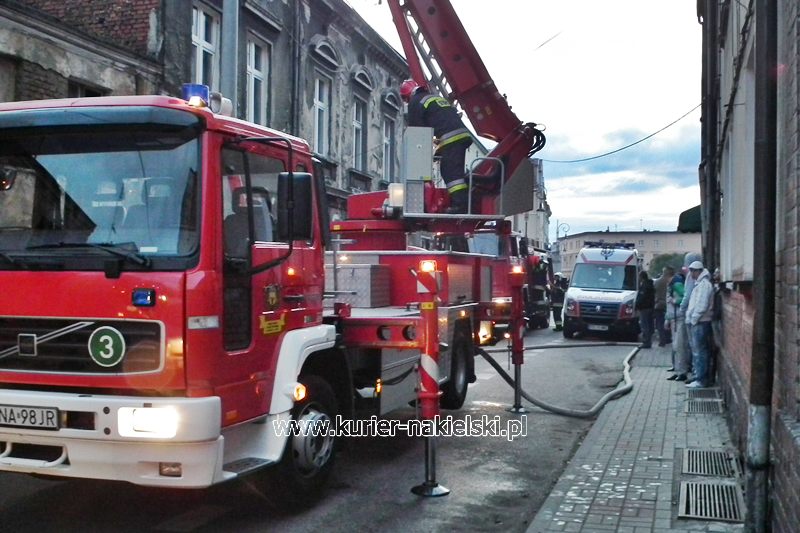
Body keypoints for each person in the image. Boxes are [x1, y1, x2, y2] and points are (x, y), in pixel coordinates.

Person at [400, 79, 473, 213]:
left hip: (451, 138)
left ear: (407, 95)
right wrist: (438, 150)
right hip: (460, 135)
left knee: (451, 173)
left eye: (405, 99)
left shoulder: (415, 102)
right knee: (455, 171)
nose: (407, 102)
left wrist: (420, 160)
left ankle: (460, 206)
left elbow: (418, 134)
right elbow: (443, 120)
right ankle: (464, 201)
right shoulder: (433, 98)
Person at [685, 260, 714, 388]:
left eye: (692, 271)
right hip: (699, 321)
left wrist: (693, 319)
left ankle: (701, 379)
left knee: (700, 351)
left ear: (698, 271)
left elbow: (701, 305)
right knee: (699, 351)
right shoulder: (701, 284)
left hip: (701, 321)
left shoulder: (704, 285)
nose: (691, 273)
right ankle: (699, 377)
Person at [665, 270, 689, 381]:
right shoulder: (671, 285)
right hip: (674, 318)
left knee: (679, 346)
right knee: (675, 346)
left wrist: (675, 301)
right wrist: (667, 318)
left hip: (679, 318)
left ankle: (682, 371)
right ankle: (678, 370)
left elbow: (685, 297)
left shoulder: (677, 284)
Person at [653, 266, 674, 346]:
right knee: (668, 322)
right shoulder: (670, 282)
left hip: (659, 305)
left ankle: (662, 340)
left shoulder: (657, 282)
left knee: (660, 323)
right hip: (668, 304)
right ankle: (668, 338)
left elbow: (653, 293)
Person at [635, 270, 655, 348]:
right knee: (648, 325)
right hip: (649, 308)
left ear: (641, 277)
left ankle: (646, 342)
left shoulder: (645, 286)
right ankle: (648, 341)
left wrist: (637, 305)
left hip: (644, 308)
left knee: (645, 326)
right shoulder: (650, 285)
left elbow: (642, 298)